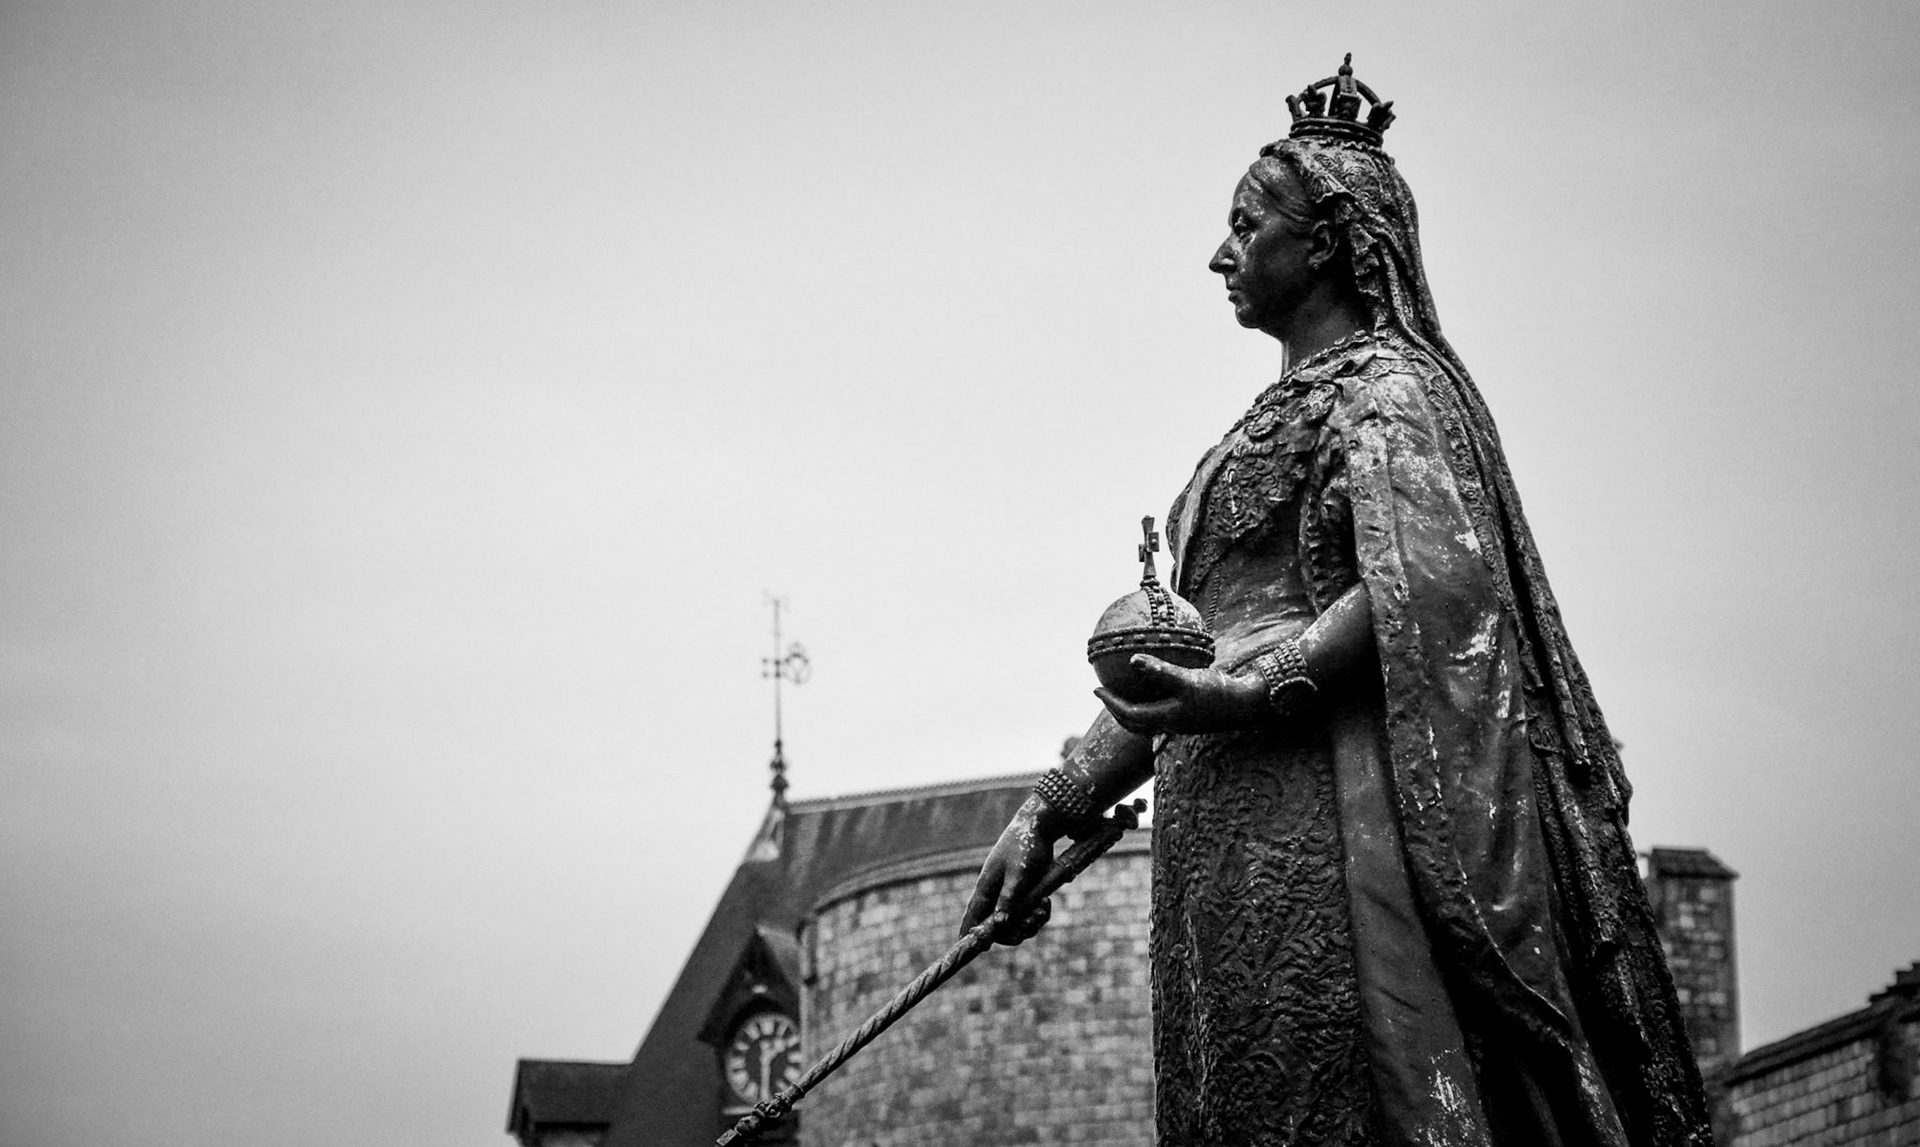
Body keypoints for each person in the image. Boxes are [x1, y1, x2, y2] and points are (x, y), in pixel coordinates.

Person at [960, 58, 1714, 1147]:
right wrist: (1052, 805)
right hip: (1216, 843)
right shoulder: (1240, 438)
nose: (1220, 253)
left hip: (1332, 818)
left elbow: (1428, 590)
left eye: (1247, 224)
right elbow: (1184, 660)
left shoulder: (1391, 392)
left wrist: (1253, 691)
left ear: (1324, 242)